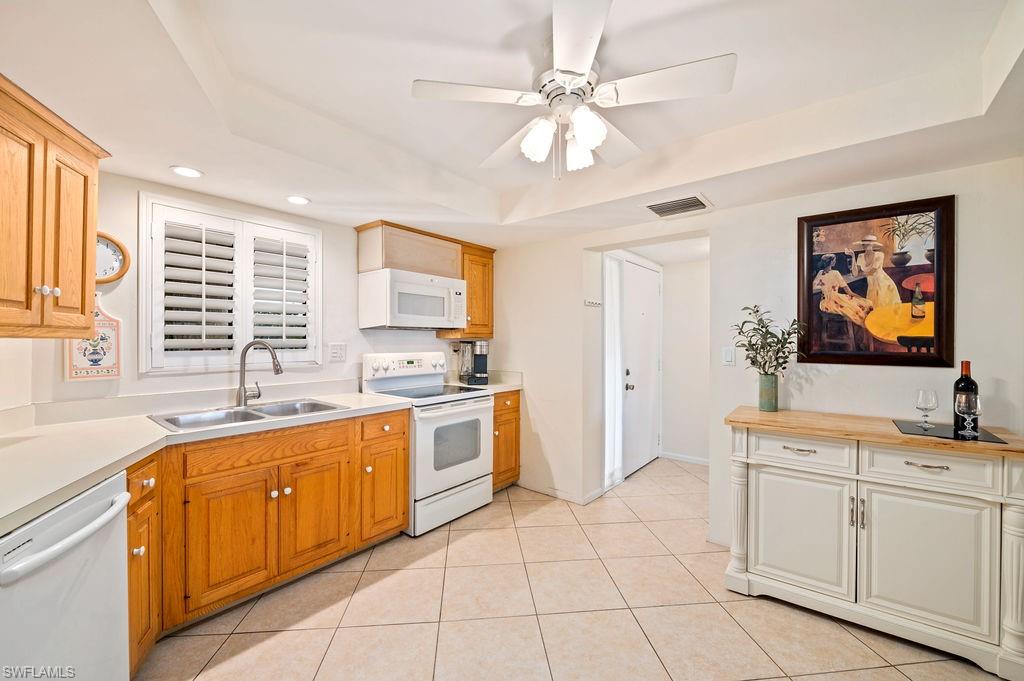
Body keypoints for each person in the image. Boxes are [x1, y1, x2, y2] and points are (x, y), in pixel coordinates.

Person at [813, 253, 874, 325]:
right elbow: (849, 292)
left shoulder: (820, 273)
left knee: (855, 307)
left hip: (824, 303)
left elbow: (814, 286)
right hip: (835, 300)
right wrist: (860, 298)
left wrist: (824, 287)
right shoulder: (836, 273)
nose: (835, 262)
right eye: (834, 260)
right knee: (863, 305)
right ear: (832, 262)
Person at [845, 234, 901, 309]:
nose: (865, 245)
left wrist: (860, 274)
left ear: (873, 244)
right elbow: (855, 274)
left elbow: (872, 271)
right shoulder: (860, 256)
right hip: (871, 285)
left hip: (883, 284)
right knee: (873, 309)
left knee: (884, 308)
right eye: (864, 244)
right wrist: (853, 256)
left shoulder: (879, 255)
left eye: (868, 244)